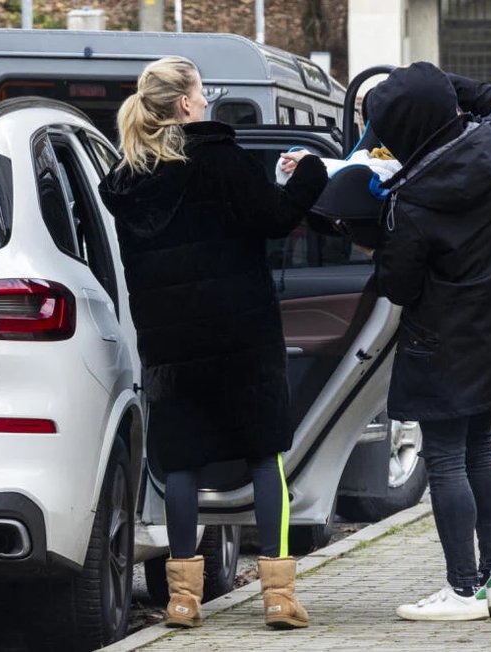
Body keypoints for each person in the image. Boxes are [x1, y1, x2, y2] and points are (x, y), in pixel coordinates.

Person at [98, 56, 327, 630]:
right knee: (264, 455)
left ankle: (182, 600)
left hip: (172, 344)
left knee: (181, 465)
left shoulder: (128, 181)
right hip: (241, 337)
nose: (207, 100)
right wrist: (310, 173)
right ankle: (278, 596)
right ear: (184, 104)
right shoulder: (221, 159)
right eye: (202, 92)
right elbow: (274, 218)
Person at [366, 62, 491, 621]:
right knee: (481, 451)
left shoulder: (412, 201)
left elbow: (397, 285)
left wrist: (367, 234)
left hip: (440, 344)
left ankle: (461, 589)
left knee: (445, 460)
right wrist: (445, 83)